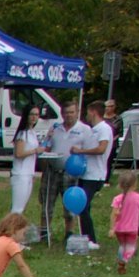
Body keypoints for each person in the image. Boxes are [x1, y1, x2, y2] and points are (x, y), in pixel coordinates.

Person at [38, 101, 89, 244]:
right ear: (62, 114)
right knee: (47, 202)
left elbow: (89, 150)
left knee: (69, 206)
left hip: (71, 172)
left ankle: (69, 233)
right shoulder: (55, 128)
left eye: (72, 112)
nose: (69, 116)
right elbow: (46, 146)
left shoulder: (84, 129)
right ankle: (44, 232)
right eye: (66, 113)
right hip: (52, 170)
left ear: (77, 112)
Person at [76, 101, 114, 248]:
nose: (86, 115)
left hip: (95, 175)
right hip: (86, 173)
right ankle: (85, 236)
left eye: (87, 112)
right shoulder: (93, 129)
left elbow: (101, 149)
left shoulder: (104, 129)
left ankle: (91, 239)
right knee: (83, 207)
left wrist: (82, 151)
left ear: (93, 112)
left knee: (83, 206)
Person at [8, 104, 45, 217]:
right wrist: (35, 151)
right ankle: (9, 232)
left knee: (22, 207)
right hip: (20, 174)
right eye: (32, 114)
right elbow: (19, 153)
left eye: (37, 115)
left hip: (29, 174)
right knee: (17, 208)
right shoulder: (22, 134)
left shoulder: (32, 133)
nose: (34, 117)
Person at [110, 172, 139, 274]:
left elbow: (113, 214)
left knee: (122, 245)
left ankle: (121, 262)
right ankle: (123, 262)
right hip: (132, 228)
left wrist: (112, 228)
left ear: (120, 185)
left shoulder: (117, 198)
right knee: (131, 247)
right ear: (135, 184)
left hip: (119, 229)